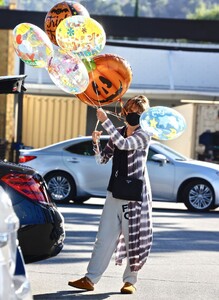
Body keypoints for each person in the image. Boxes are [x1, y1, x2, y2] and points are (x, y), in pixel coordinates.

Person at [68, 95, 153, 294]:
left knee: (134, 239)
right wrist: (95, 143)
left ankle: (130, 281)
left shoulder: (144, 135)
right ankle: (90, 279)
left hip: (134, 196)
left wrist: (106, 121)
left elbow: (124, 144)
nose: (135, 115)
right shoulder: (120, 132)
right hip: (114, 192)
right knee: (103, 238)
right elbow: (102, 160)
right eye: (132, 111)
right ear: (125, 112)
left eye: (139, 113)